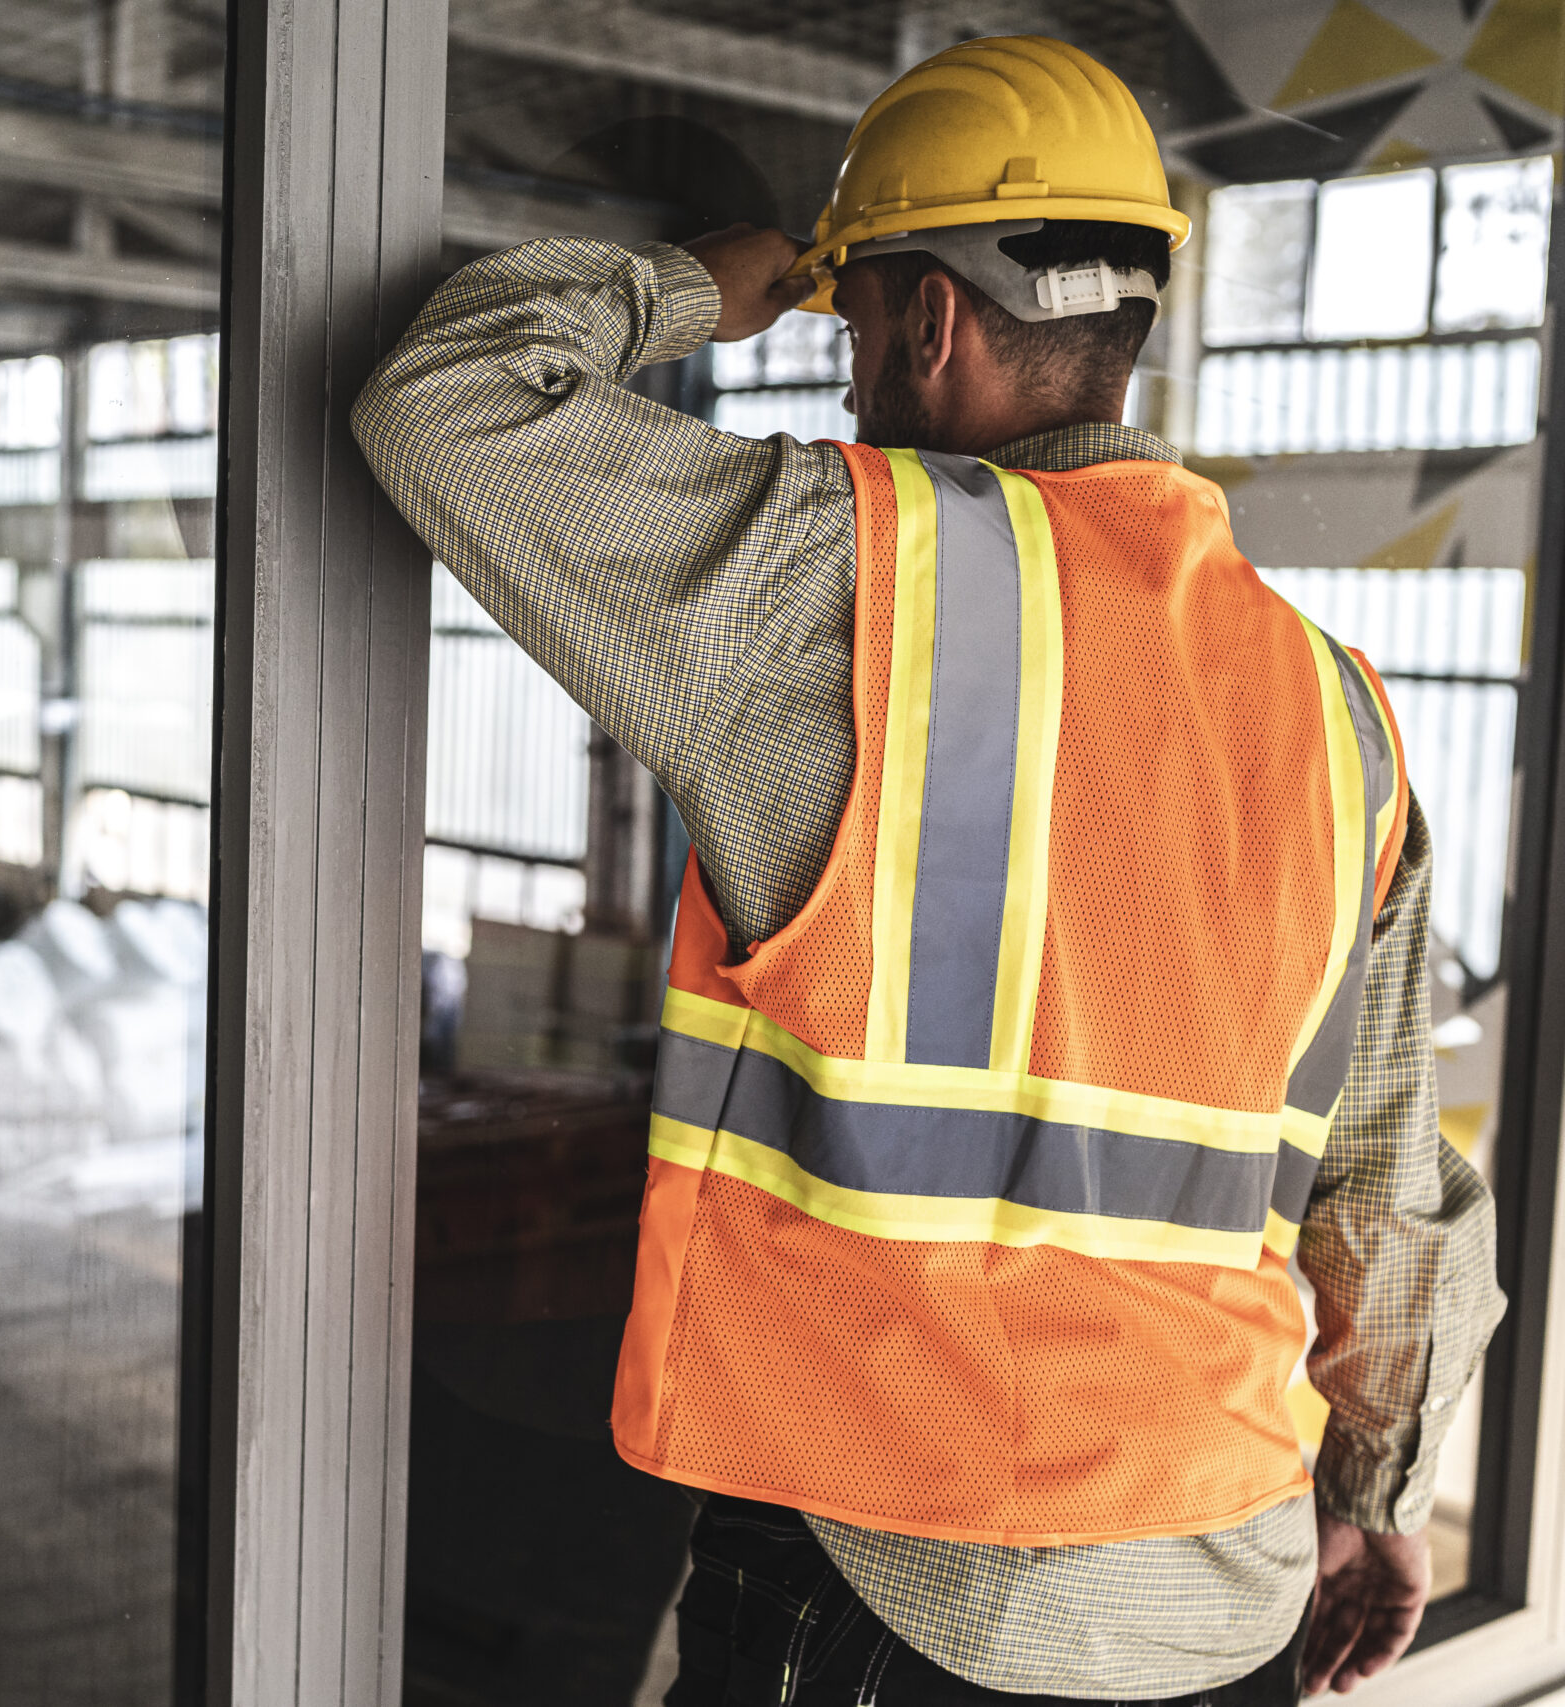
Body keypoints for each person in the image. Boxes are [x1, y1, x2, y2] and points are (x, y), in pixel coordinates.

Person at [355, 35, 1503, 1707]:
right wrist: (1376, 1501)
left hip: (907, 1578)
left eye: (851, 325)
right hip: (1227, 1594)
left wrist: (705, 286)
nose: (845, 381)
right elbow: (1388, 1194)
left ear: (931, 324)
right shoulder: (1339, 717)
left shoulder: (849, 585)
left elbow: (446, 397)